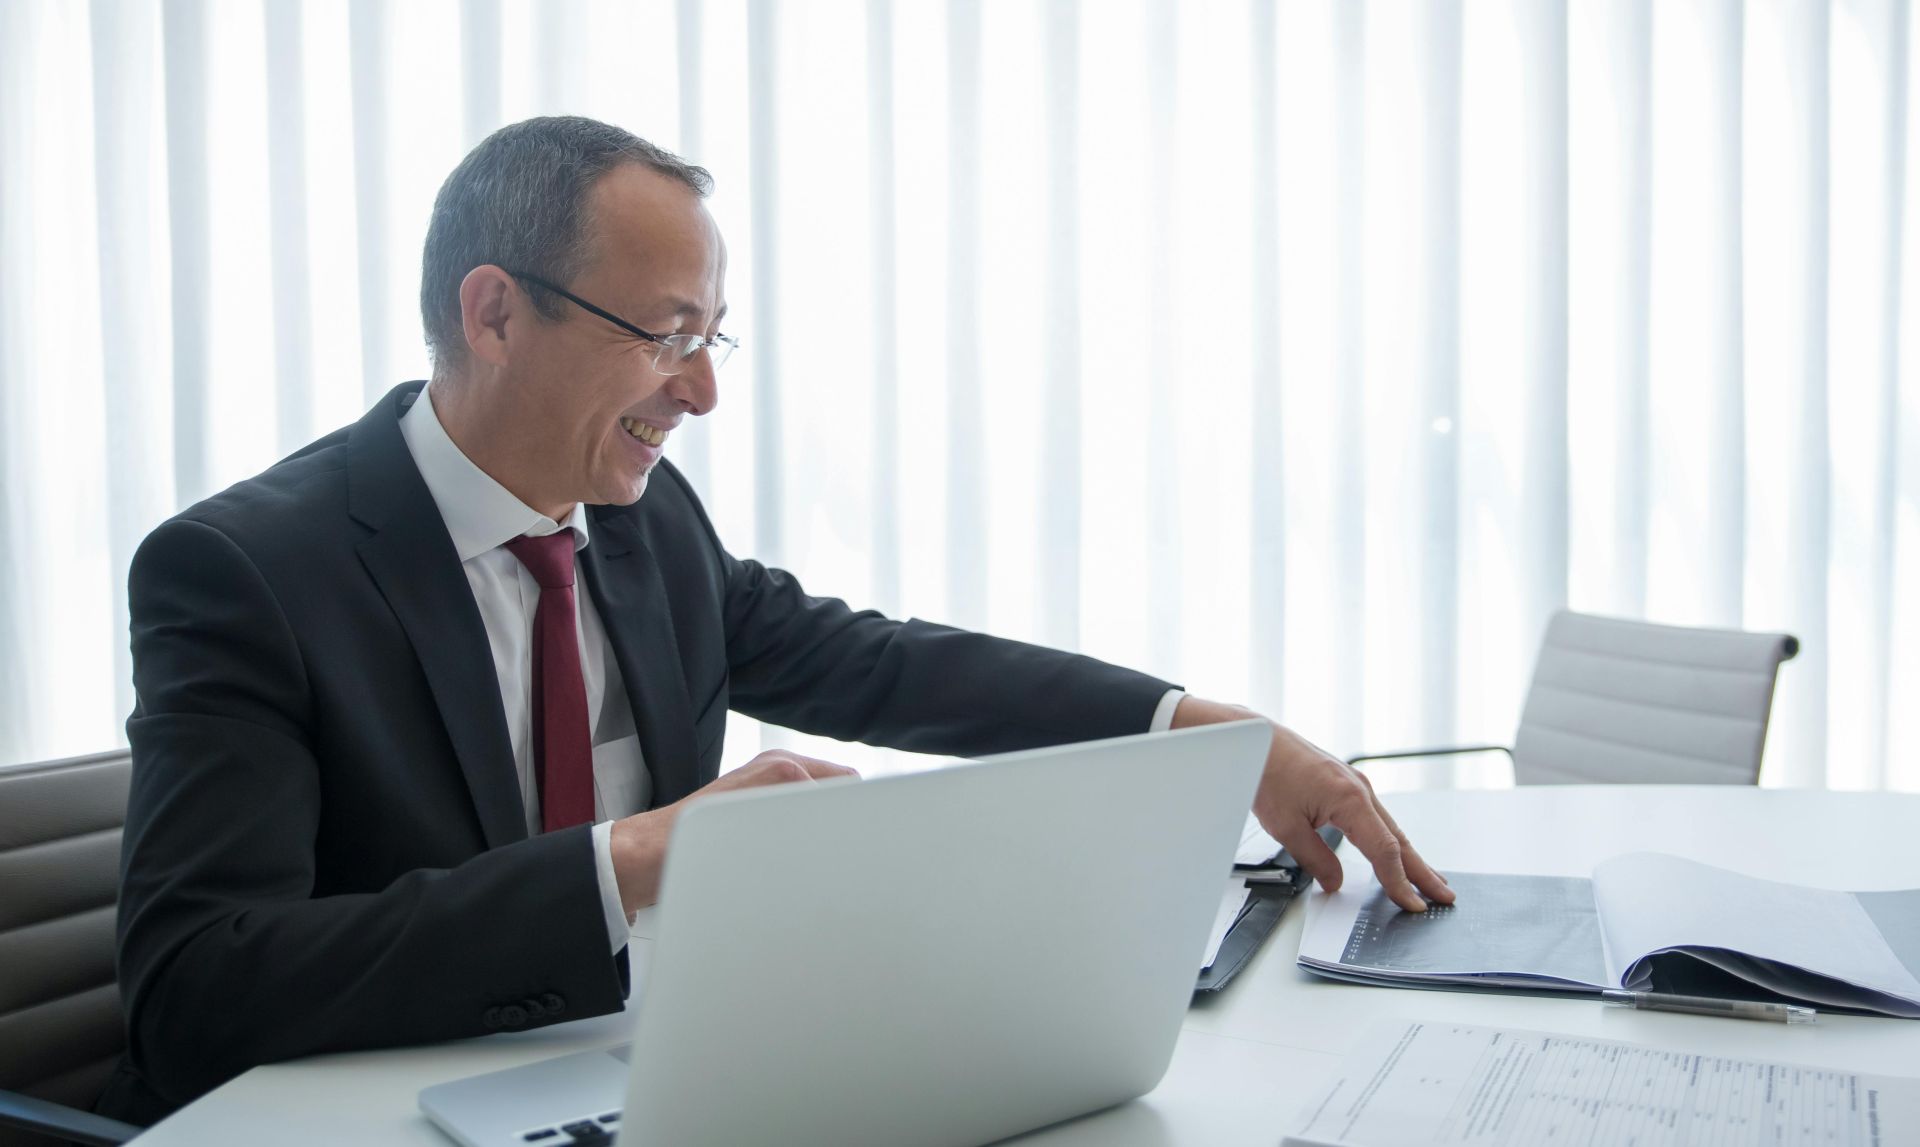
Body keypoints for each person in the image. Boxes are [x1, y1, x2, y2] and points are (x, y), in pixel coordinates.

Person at [101, 115, 1452, 1125]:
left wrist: (1198, 730)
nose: (699, 395)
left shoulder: (640, 521)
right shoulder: (244, 571)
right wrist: (637, 863)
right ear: (495, 311)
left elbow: (880, 663)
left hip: (652, 1083)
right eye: (664, 333)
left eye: (712, 339)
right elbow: (200, 989)